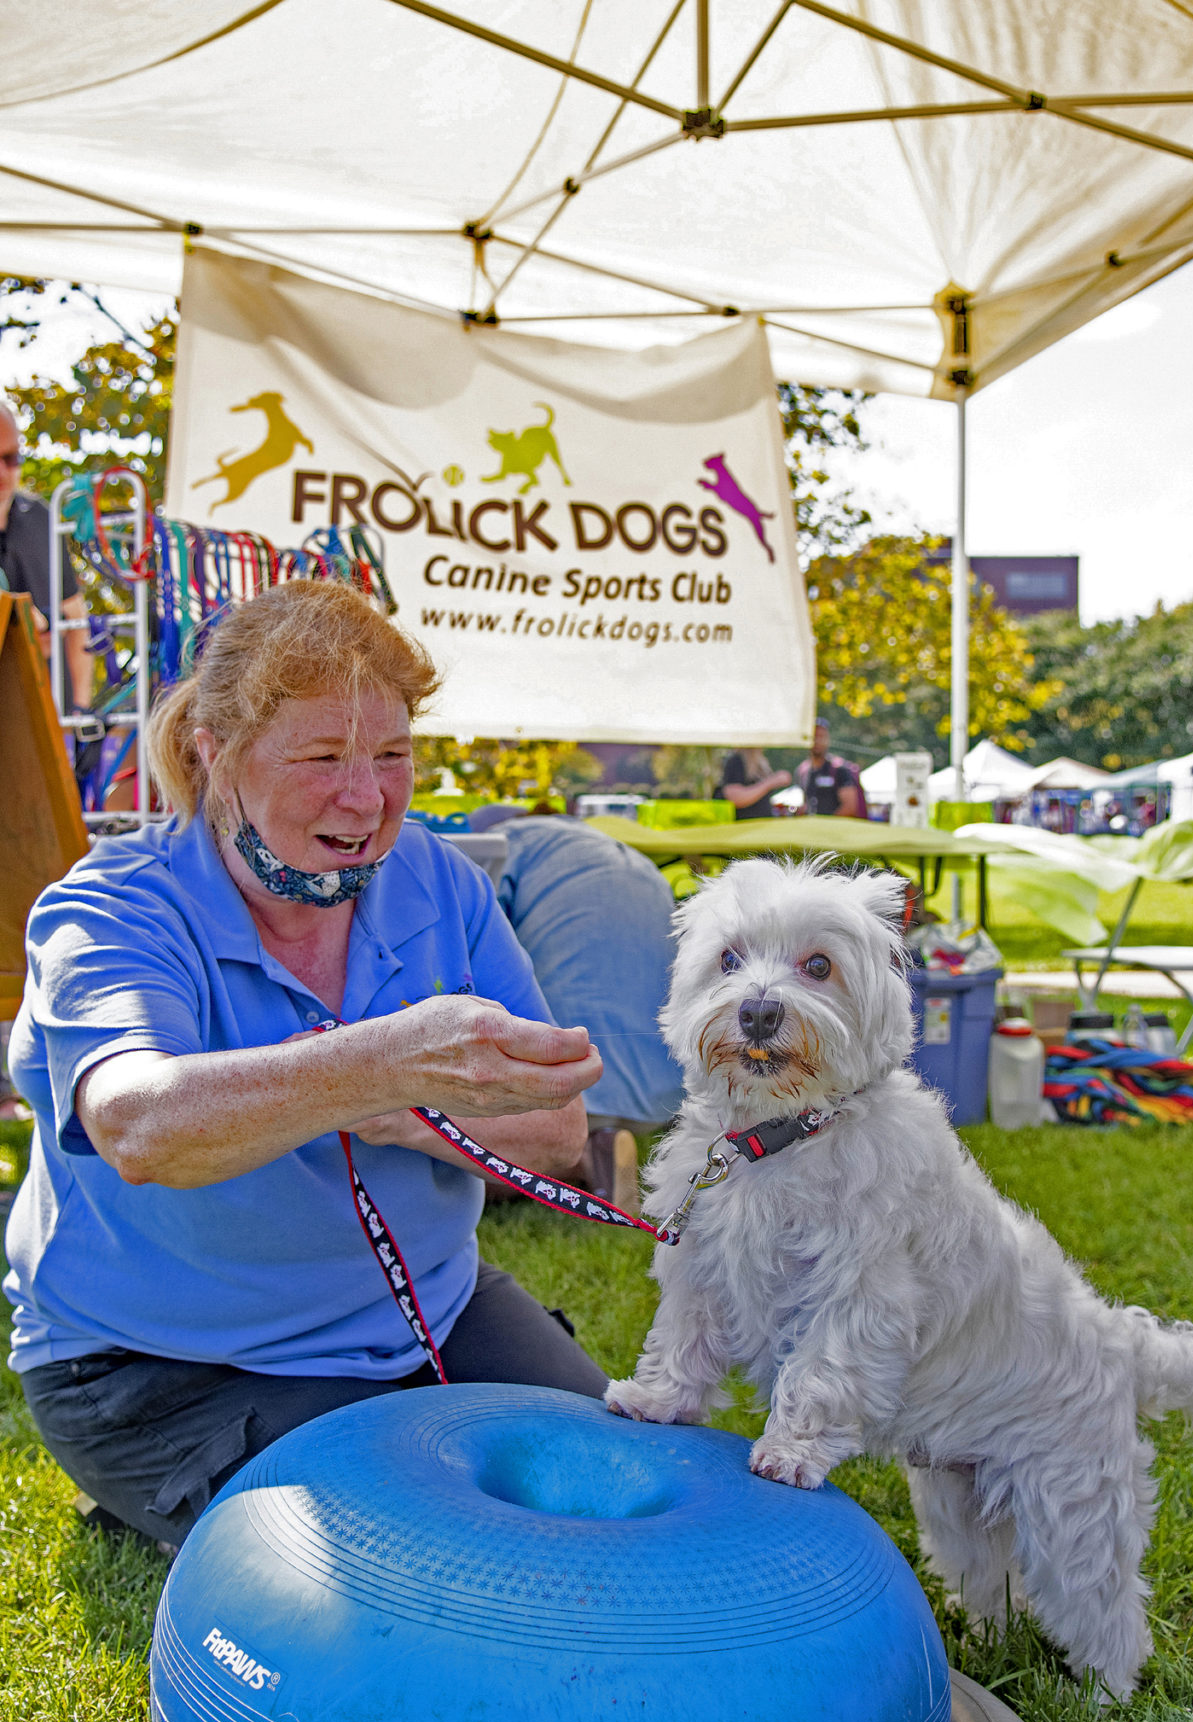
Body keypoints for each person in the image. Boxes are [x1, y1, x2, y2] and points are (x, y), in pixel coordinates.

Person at [3, 579, 607, 1548]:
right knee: (437, 1541)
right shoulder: (112, 909)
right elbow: (138, 1125)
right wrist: (378, 1062)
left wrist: (394, 1104)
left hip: (426, 1310)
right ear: (215, 749)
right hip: (164, 1364)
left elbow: (555, 1130)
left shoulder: (440, 880)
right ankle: (167, 1479)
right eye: (323, 756)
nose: (367, 797)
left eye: (393, 755)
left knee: (624, 1470)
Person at [491, 815, 685, 1138]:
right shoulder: (638, 862)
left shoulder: (508, 838)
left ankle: (583, 1160)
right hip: (668, 1096)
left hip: (569, 1091)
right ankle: (606, 1154)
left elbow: (473, 941)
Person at [0, 400, 94, 709]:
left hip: (47, 713)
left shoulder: (40, 518)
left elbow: (76, 619)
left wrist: (80, 714)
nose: (2, 471)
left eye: (11, 458)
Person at [794, 719, 862, 818]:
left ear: (828, 739)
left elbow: (850, 807)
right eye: (814, 737)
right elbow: (805, 802)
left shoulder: (839, 769)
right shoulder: (802, 771)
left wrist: (826, 824)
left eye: (821, 737)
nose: (817, 741)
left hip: (836, 829)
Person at [718, 747, 790, 820]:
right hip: (746, 826)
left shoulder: (760, 762)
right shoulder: (737, 761)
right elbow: (734, 796)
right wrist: (771, 782)